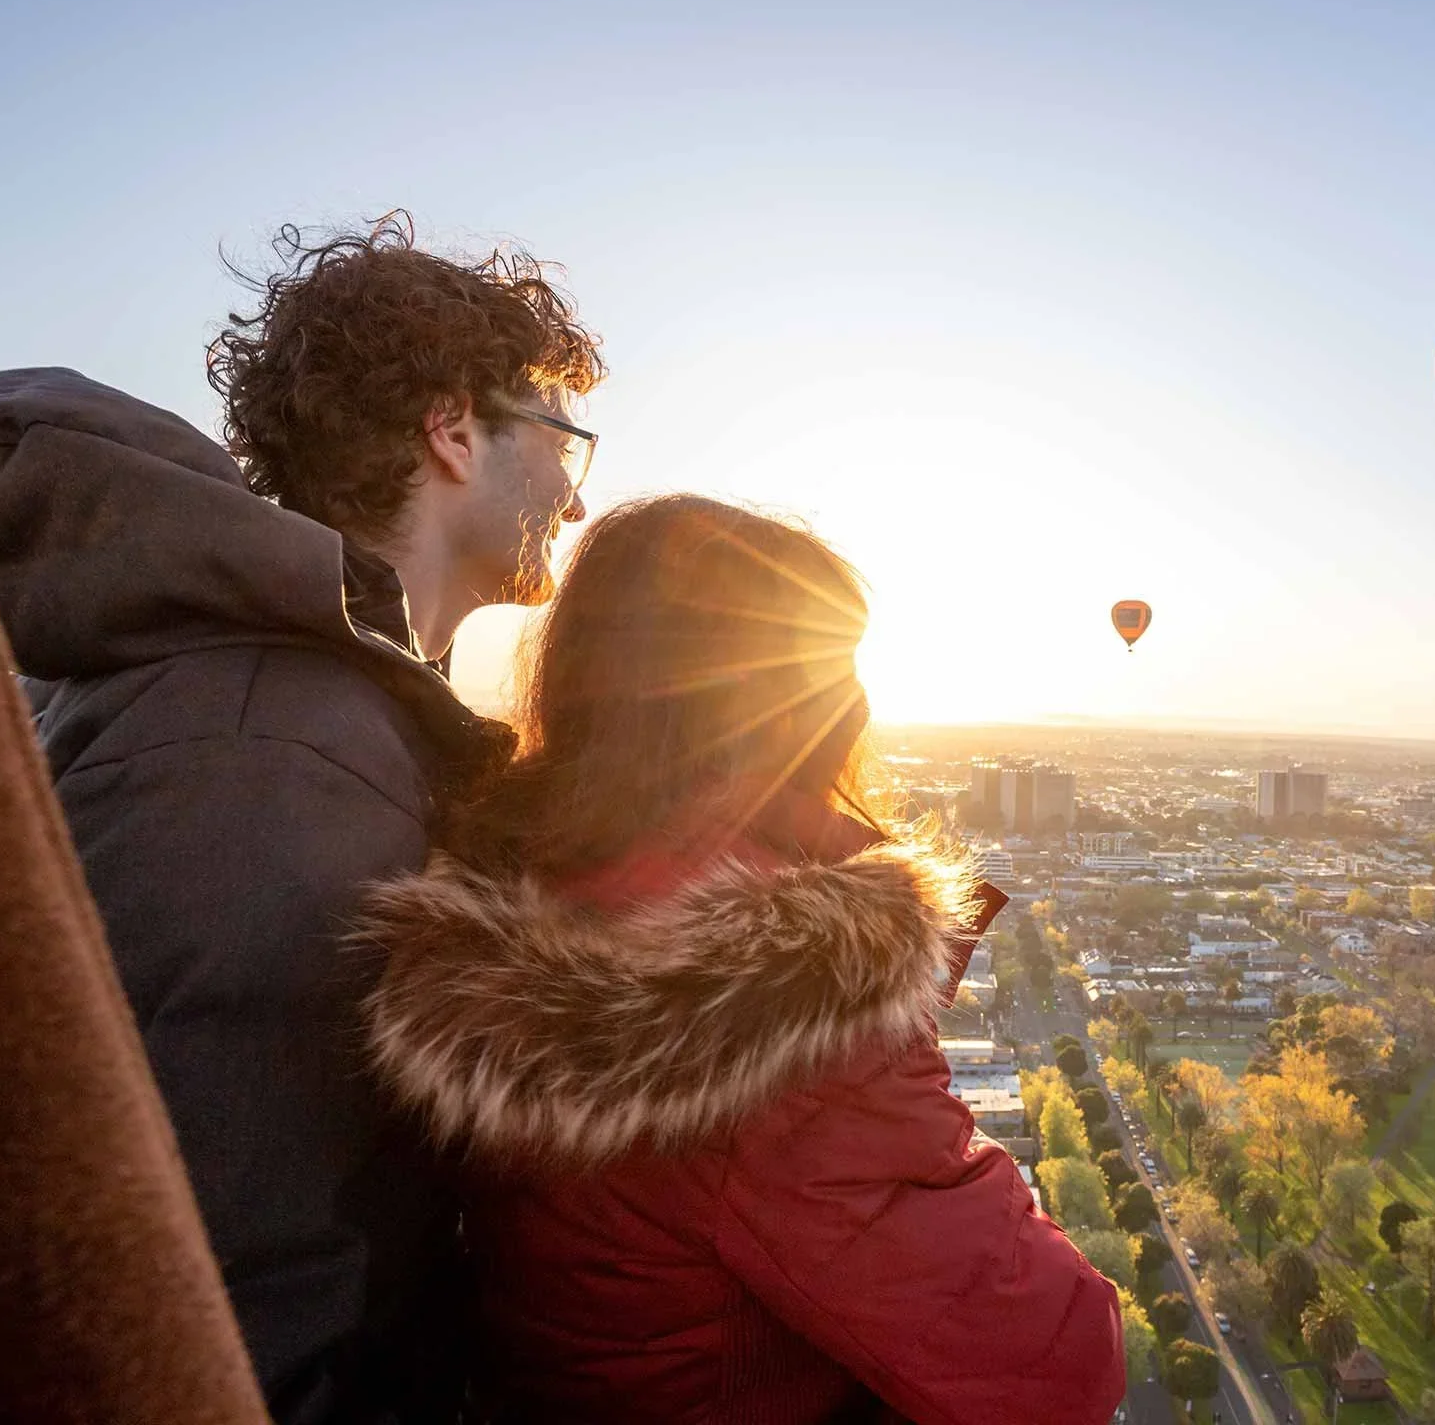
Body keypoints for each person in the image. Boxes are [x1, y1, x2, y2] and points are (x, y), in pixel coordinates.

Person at [0, 212, 606, 1424]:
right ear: (453, 429)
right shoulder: (264, 752)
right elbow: (218, 1283)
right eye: (561, 437)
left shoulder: (298, 708)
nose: (570, 490)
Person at [350, 496, 1128, 1424]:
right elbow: (1059, 1362)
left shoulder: (521, 893)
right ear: (794, 703)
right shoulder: (785, 1017)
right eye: (837, 664)